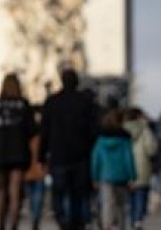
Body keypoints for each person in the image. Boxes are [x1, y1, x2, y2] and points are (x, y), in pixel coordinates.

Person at [39, 68, 98, 230]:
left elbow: (44, 131)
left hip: (58, 155)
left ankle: (62, 218)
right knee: (77, 193)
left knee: (59, 191)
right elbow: (93, 130)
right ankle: (75, 222)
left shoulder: (52, 102)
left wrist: (41, 156)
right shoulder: (85, 102)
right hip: (80, 155)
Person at [0, 73, 33, 230]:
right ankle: (13, 225)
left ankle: (0, 224)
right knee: (15, 191)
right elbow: (31, 130)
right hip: (18, 154)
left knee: (1, 190)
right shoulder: (23, 105)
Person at [91, 109, 135, 230]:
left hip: (105, 176)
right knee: (121, 205)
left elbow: (96, 159)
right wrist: (132, 176)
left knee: (107, 204)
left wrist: (94, 176)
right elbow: (128, 158)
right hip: (122, 176)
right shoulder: (125, 139)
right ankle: (122, 226)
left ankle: (107, 226)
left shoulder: (100, 140)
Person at [123, 107, 157, 230]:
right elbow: (151, 149)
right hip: (142, 167)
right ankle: (138, 220)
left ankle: (132, 220)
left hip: (126, 169)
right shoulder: (145, 129)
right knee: (140, 197)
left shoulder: (122, 129)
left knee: (130, 199)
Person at [24, 105, 46, 230]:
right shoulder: (42, 134)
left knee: (32, 195)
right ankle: (35, 217)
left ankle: (34, 215)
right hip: (39, 166)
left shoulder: (24, 133)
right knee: (38, 194)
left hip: (27, 167)